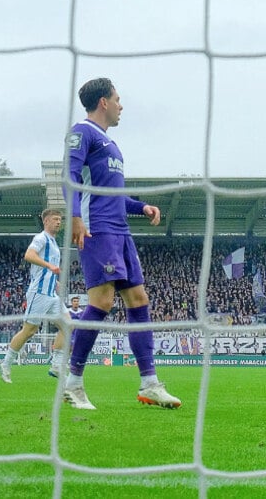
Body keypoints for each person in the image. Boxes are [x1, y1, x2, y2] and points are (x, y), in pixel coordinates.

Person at [62, 77, 181, 410]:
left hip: (121, 231)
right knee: (101, 302)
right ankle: (73, 382)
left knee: (139, 298)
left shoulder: (111, 146)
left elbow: (113, 194)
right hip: (97, 229)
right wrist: (75, 217)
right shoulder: (82, 132)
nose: (121, 105)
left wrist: (140, 206)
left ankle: (149, 384)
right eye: (117, 99)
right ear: (103, 102)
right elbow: (69, 176)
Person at [0, 208, 70, 383]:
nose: (58, 222)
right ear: (46, 221)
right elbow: (29, 255)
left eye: (60, 219)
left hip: (51, 293)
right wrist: (49, 266)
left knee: (68, 325)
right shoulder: (41, 238)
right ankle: (6, 363)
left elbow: (49, 267)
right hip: (38, 292)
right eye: (55, 219)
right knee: (29, 331)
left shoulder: (53, 242)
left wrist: (55, 280)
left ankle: (56, 365)